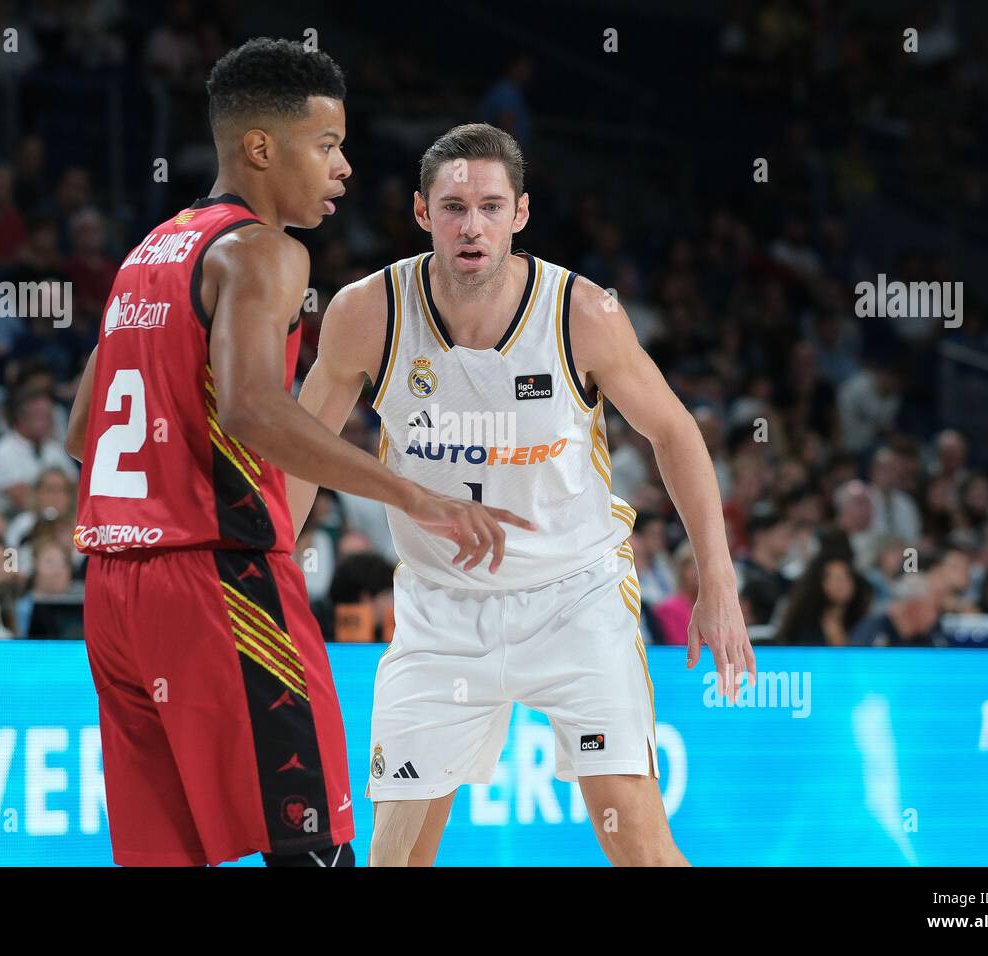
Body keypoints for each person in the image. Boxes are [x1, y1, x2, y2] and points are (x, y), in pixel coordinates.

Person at [66, 41, 525, 870]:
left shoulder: (149, 253)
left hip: (115, 590)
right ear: (260, 148)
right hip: (219, 580)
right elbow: (250, 408)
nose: (344, 167)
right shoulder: (264, 251)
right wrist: (414, 495)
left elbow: (79, 434)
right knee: (312, 849)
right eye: (326, 145)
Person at [288, 123, 754, 867]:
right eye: (453, 207)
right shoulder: (366, 313)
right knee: (394, 857)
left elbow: (677, 433)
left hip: (575, 598)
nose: (471, 225)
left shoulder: (582, 315)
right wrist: (273, 577)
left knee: (637, 841)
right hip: (439, 610)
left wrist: (718, 587)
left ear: (521, 214)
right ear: (420, 213)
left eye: (490, 206)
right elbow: (300, 453)